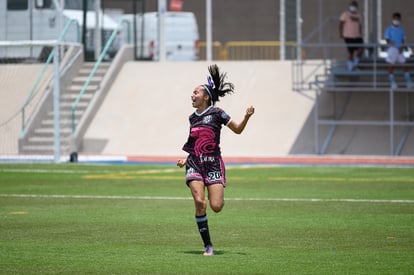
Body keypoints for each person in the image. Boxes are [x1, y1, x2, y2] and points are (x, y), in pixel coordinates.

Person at [176, 64, 254, 256]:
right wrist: (186, 158)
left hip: (213, 163)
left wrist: (246, 117)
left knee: (216, 206)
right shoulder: (191, 118)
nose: (192, 95)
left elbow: (237, 129)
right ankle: (208, 245)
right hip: (195, 163)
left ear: (206, 96)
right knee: (200, 203)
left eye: (195, 92)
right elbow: (195, 142)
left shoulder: (218, 113)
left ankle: (215, 196)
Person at [384, 12, 413, 89]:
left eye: (397, 19)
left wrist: (402, 47)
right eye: (394, 19)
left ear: (400, 19)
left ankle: (408, 81)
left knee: (404, 64)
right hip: (392, 49)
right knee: (391, 65)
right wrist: (390, 42)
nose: (396, 20)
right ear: (392, 19)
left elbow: (403, 40)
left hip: (400, 49)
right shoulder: (389, 29)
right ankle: (392, 81)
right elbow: (387, 39)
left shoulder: (402, 29)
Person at [339, 1, 364, 71]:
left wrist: (360, 33)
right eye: (352, 5)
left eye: (355, 5)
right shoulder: (345, 14)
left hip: (357, 36)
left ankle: (355, 63)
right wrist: (341, 33)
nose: (353, 7)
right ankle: (350, 67)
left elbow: (360, 25)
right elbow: (341, 23)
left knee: (361, 49)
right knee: (351, 52)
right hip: (348, 36)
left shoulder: (358, 16)